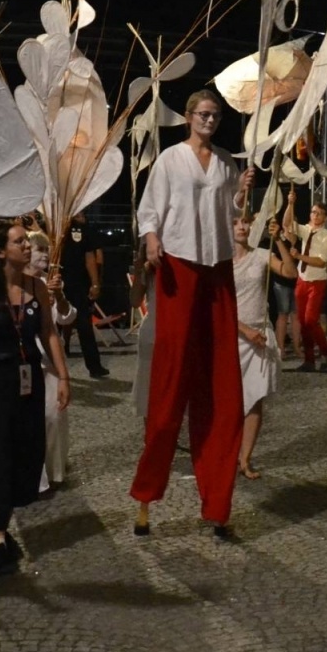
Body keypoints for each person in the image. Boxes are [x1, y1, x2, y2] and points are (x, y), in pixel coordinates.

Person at [130, 89, 253, 540]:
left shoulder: (226, 163)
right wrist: (151, 238)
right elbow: (149, 210)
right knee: (170, 385)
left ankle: (217, 505)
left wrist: (241, 194)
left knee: (222, 389)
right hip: (179, 266)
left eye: (216, 115)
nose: (210, 120)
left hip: (217, 269)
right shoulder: (169, 160)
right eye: (204, 113)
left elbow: (232, 213)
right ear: (188, 116)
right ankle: (145, 496)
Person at [0, 223, 71, 573]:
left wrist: (63, 375)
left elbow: (49, 332)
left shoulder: (35, 286)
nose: (27, 246)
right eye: (19, 241)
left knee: (25, 455)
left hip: (28, 382)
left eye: (27, 240)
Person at [28, 231, 78, 492]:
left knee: (54, 416)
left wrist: (57, 297)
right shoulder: (19, 283)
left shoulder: (51, 282)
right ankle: (36, 479)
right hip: (27, 359)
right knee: (32, 420)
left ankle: (55, 471)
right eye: (39, 249)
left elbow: (67, 318)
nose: (44, 255)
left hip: (50, 362)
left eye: (46, 250)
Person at [232, 217, 275, 480]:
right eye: (235, 222)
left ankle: (245, 459)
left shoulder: (261, 254)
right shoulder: (221, 261)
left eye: (246, 222)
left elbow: (291, 272)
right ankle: (226, 453)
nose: (241, 226)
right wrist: (244, 330)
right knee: (230, 400)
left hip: (259, 335)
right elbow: (218, 305)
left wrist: (278, 240)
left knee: (256, 398)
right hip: (233, 335)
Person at [282, 190, 327, 372]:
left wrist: (299, 256)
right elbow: (287, 224)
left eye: (319, 213)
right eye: (313, 212)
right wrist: (290, 203)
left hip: (316, 281)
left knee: (310, 320)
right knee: (303, 322)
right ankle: (309, 360)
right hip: (302, 280)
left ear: (325, 217)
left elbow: (321, 262)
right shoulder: (306, 230)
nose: (315, 215)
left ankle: (325, 351)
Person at [56, 211, 109, 379]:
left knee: (85, 326)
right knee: (51, 325)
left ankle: (94, 367)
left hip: (78, 284)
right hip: (55, 283)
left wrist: (95, 283)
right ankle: (52, 367)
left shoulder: (81, 229)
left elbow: (90, 257)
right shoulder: (51, 227)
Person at [265, 219, 299, 353]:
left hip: (297, 281)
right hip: (281, 282)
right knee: (283, 314)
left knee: (296, 315)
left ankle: (297, 347)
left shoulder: (299, 240)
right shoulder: (275, 240)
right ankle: (281, 348)